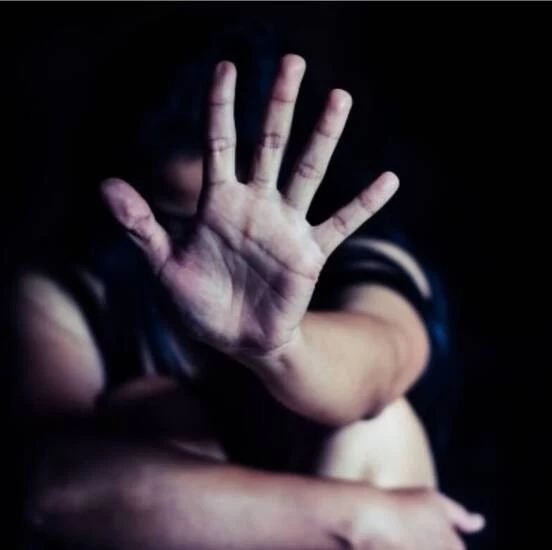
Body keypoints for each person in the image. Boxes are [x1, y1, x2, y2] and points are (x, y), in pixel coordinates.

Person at [12, 15, 483, 550]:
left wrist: (280, 345)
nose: (213, 245)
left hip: (336, 467)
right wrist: (356, 519)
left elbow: (378, 368)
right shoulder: (74, 291)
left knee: (379, 426)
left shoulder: (363, 258)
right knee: (152, 411)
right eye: (179, 219)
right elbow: (56, 486)